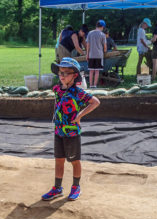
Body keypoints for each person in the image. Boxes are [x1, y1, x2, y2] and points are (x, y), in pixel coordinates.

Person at [42, 57, 100, 201]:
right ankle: (57, 188)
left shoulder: (77, 92)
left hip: (72, 132)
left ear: (74, 75)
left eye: (66, 73)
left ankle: (76, 187)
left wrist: (80, 115)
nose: (62, 76)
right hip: (58, 131)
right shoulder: (56, 89)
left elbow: (95, 102)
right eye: (60, 73)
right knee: (59, 160)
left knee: (74, 161)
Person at [86, 20, 107, 88]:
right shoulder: (102, 35)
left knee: (91, 71)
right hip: (99, 55)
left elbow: (88, 45)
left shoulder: (90, 33)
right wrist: (105, 51)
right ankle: (95, 85)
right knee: (97, 71)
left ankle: (90, 85)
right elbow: (105, 46)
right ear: (102, 27)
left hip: (91, 54)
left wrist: (87, 54)